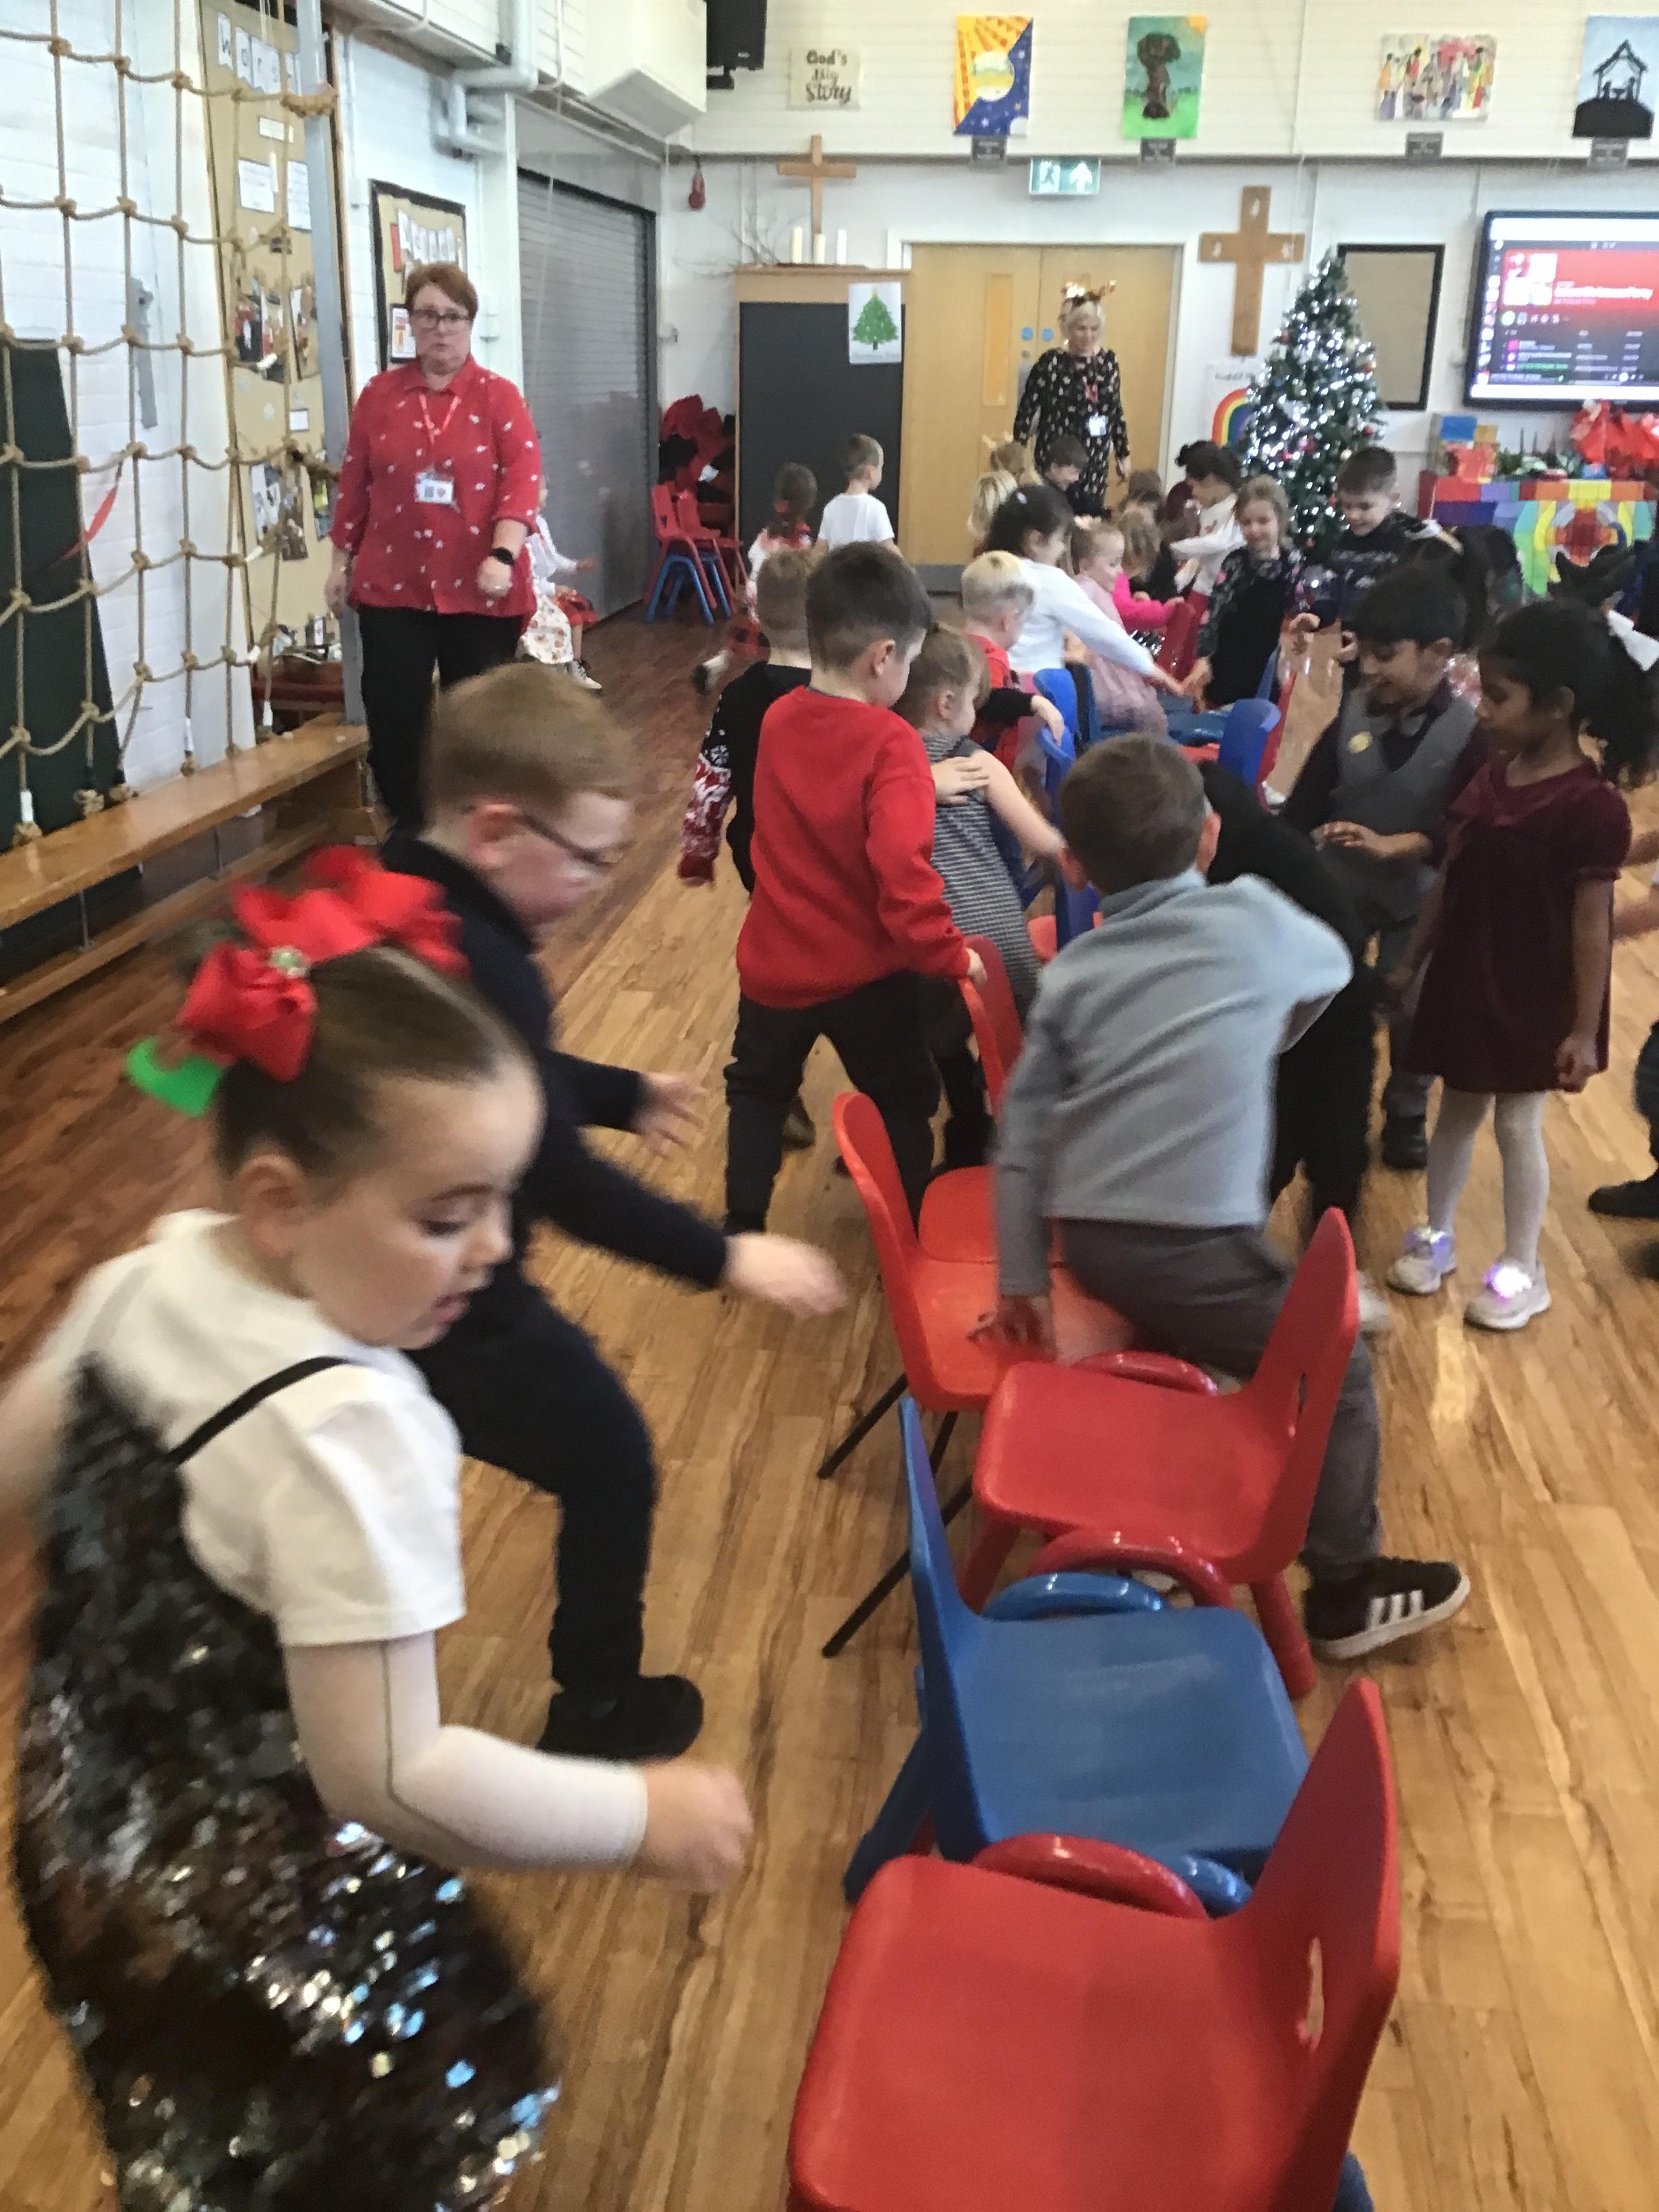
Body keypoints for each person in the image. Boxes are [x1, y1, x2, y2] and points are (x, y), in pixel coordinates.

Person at [1, 867, 752, 2207]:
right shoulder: (353, 1431)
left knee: (183, 2111)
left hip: (82, 1832)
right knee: (357, 2128)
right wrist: (638, 1812)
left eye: (503, 1202)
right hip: (246, 1901)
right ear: (280, 1198)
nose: (495, 1249)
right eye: (445, 1216)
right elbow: (388, 1777)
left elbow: (16, 1472)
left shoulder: (143, 1274)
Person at [386, 667, 843, 1763]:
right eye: (587, 859)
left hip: (379, 1277)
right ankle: (595, 1711)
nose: (595, 886)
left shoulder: (397, 890)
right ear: (496, 830)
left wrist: (617, 1092)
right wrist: (725, 1256)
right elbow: (556, 1174)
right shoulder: (488, 959)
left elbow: (500, 1071)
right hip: (448, 1297)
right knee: (609, 1458)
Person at [987, 733, 1471, 1658]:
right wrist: (1257, 1032)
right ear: (1210, 835)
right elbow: (1336, 970)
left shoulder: (1075, 973)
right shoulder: (1255, 919)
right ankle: (1343, 1588)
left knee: (1186, 1337)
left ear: (1075, 865)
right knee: (1338, 1369)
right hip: (1192, 1246)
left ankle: (1148, 1530)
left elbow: (1021, 1141)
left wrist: (1021, 1279)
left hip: (1089, 1235)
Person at [1387, 599, 1659, 1330]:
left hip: (1534, 992)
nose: (1482, 709)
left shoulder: (1592, 807)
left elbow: (1592, 927)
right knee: (1455, 1110)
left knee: (1516, 1124)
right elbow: (1450, 878)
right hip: (1466, 976)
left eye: (1499, 696)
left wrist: (1584, 1029)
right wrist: (1412, 961)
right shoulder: (1492, 777)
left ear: (1558, 705)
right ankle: (1436, 1234)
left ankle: (1521, 1266)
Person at [722, 544, 985, 1233]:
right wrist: (950, 955)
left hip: (774, 963)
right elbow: (904, 872)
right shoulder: (893, 743)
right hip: (864, 974)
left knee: (756, 1093)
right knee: (903, 1096)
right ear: (883, 657)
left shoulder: (779, 717)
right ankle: (907, 1228)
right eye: (911, 660)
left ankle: (743, 1231)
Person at [1281, 565, 1488, 1174]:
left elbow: (1468, 826)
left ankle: (1406, 1109)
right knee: (1319, 994)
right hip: (1340, 886)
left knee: (1414, 1007)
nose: (1367, 668)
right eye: (1362, 651)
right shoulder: (1351, 716)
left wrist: (1407, 845)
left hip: (1419, 894)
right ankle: (1317, 1101)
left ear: (1438, 654)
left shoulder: (1469, 734)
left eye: (1385, 654)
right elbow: (1305, 805)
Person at [327, 261, 541, 832]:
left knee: (478, 719)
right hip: (395, 583)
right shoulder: (379, 397)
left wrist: (503, 554)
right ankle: (410, 826)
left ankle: (476, 826)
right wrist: (339, 563)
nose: (440, 328)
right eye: (427, 315)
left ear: (470, 323)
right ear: (410, 322)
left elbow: (522, 483)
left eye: (452, 316)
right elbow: (355, 484)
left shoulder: (499, 398)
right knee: (393, 712)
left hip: (479, 585)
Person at [896, 623, 1061, 1021]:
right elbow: (1043, 842)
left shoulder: (885, 763)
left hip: (923, 940)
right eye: (974, 702)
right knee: (1027, 1024)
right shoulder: (974, 760)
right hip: (992, 934)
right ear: (946, 704)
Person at [679, 548, 814, 894]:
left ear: (759, 619)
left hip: (756, 851)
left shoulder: (737, 695)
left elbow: (710, 782)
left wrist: (698, 853)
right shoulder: (842, 696)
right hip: (826, 855)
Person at [983, 484, 1176, 693]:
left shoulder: (986, 569)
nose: (1062, 549)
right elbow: (1105, 634)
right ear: (1036, 541)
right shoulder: (1049, 580)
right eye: (1060, 541)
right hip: (1039, 689)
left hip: (995, 684)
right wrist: (1154, 671)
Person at [694, 461, 818, 697]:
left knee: (737, 645)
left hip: (753, 597)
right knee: (779, 648)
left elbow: (754, 557)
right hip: (774, 604)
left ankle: (716, 665)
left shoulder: (768, 531)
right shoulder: (801, 540)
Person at [1183, 474, 1305, 707]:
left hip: (1265, 662)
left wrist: (1300, 632)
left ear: (1280, 520)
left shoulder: (1292, 561)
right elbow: (1213, 613)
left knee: (1258, 715)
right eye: (1247, 523)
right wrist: (1203, 657)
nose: (1254, 529)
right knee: (1222, 713)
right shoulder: (1235, 563)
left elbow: (1297, 605)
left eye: (1263, 521)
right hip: (1228, 660)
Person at [1012, 287, 1132, 510]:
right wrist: (1017, 453)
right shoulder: (1051, 362)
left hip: (1093, 457)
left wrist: (1122, 453)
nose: (1088, 335)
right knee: (1054, 514)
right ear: (1069, 329)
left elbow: (1115, 409)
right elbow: (1027, 409)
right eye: (1081, 328)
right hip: (1057, 458)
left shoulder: (1108, 362)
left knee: (1088, 516)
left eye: (1094, 329)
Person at [1298, 445, 1425, 642]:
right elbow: (1331, 592)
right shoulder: (1344, 544)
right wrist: (1316, 616)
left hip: (1388, 646)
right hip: (1350, 643)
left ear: (1392, 500)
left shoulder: (1402, 545)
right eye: (1347, 506)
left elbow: (1407, 605)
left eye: (1365, 507)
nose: (1354, 515)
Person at [958, 548, 1070, 769]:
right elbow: (986, 699)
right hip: (983, 766)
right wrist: (1033, 702)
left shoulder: (960, 645)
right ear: (1008, 620)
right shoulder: (991, 657)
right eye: (1023, 622)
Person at [1070, 518, 1170, 735]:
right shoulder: (1087, 590)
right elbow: (1116, 640)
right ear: (1085, 566)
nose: (1120, 571)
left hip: (1108, 673)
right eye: (1113, 564)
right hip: (1106, 684)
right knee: (1146, 713)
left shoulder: (1096, 590)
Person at [523, 479, 600, 692]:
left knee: (581, 607)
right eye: (542, 488)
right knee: (571, 616)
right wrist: (553, 589)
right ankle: (569, 667)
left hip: (544, 589)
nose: (546, 493)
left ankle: (574, 664)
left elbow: (553, 557)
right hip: (533, 594)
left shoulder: (541, 523)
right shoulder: (522, 531)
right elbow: (527, 576)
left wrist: (575, 566)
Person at [1164, 441, 1243, 600]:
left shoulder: (1237, 509)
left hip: (1224, 593)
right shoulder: (1207, 510)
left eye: (1194, 487)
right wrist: (1175, 584)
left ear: (1211, 480)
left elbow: (1220, 542)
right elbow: (1200, 557)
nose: (1193, 493)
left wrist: (1172, 549)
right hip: (1202, 587)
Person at [817, 435, 895, 550]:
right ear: (870, 471)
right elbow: (889, 549)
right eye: (880, 468)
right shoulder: (876, 508)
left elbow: (820, 550)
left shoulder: (831, 507)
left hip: (838, 562)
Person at [1113, 504, 1175, 632]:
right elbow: (1125, 612)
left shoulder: (1110, 570)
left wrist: (1140, 603)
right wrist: (1163, 612)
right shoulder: (1118, 576)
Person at [1040, 432, 1101, 517]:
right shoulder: (1040, 495)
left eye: (1078, 474)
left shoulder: (1072, 490)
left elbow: (1092, 509)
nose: (1076, 478)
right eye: (1072, 473)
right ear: (1054, 468)